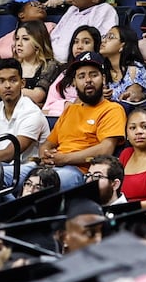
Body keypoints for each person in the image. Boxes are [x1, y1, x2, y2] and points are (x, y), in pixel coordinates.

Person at [39, 52, 126, 188]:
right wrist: (46, 156)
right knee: (3, 175)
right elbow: (48, 144)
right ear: (74, 82)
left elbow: (106, 149)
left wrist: (64, 159)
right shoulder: (70, 110)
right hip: (53, 167)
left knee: (42, 185)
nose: (88, 80)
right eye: (81, 76)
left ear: (103, 79)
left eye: (93, 75)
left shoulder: (113, 109)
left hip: (80, 171)